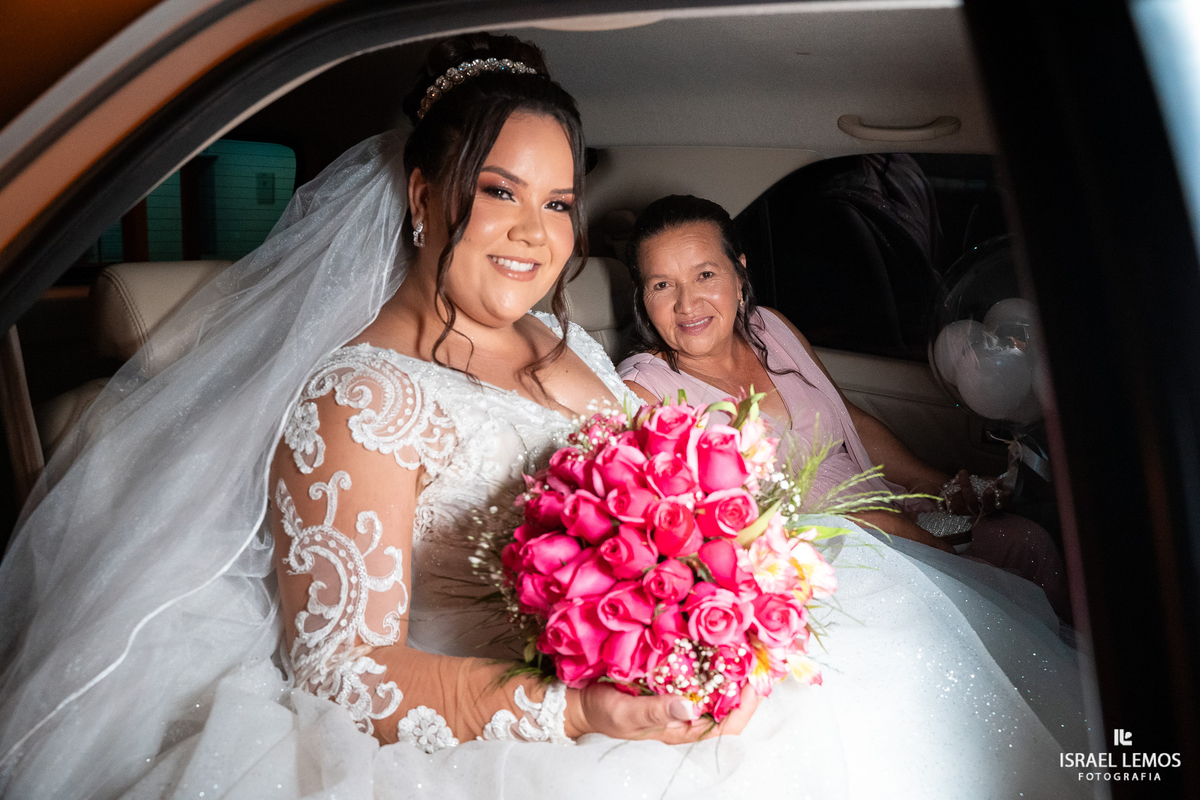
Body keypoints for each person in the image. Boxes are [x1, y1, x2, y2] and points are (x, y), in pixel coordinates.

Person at [0, 35, 1092, 800]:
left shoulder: (571, 347)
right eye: (500, 192)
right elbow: (344, 672)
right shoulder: (359, 401)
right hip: (515, 725)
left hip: (666, 660)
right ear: (424, 197)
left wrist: (721, 599)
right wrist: (582, 711)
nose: (536, 232)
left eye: (560, 201)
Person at [617, 194, 1071, 621]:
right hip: (821, 560)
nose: (687, 303)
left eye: (705, 275)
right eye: (663, 285)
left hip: (882, 506)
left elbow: (848, 418)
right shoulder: (645, 393)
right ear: (643, 298)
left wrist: (934, 484)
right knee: (986, 596)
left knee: (1029, 542)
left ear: (739, 275)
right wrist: (898, 532)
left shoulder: (771, 327)